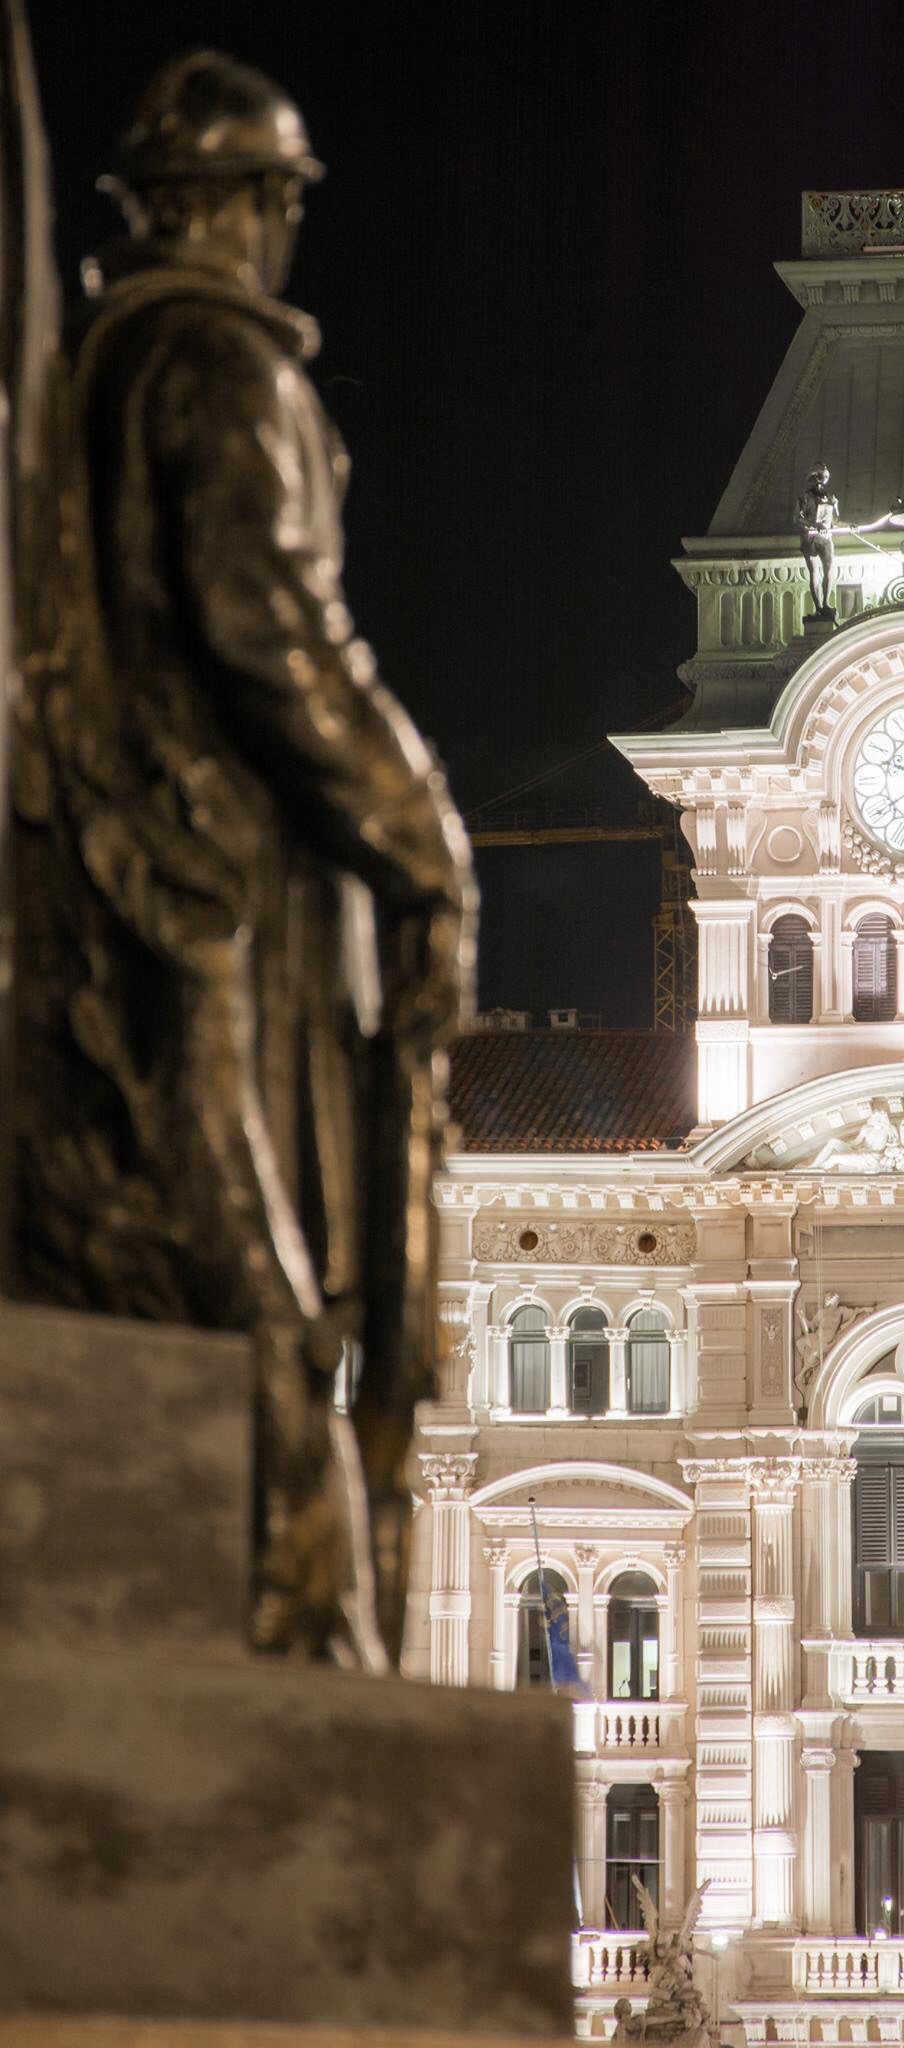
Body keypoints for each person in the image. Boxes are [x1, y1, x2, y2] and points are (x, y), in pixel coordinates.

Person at [14, 51, 474, 1661]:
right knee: (260, 1289)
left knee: (193, 1269)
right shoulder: (213, 363)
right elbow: (274, 622)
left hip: (124, 880)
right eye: (280, 206)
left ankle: (276, 1629)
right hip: (208, 893)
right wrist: (426, 839)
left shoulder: (89, 381)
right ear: (257, 208)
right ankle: (299, 1644)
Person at [795, 461, 840, 620]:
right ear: (813, 478)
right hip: (811, 538)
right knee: (814, 571)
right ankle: (819, 607)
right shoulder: (805, 497)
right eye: (819, 477)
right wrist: (815, 524)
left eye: (823, 477)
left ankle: (826, 603)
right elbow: (798, 519)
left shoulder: (830, 499)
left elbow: (835, 521)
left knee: (829, 568)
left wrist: (850, 525)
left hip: (826, 538)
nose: (820, 481)